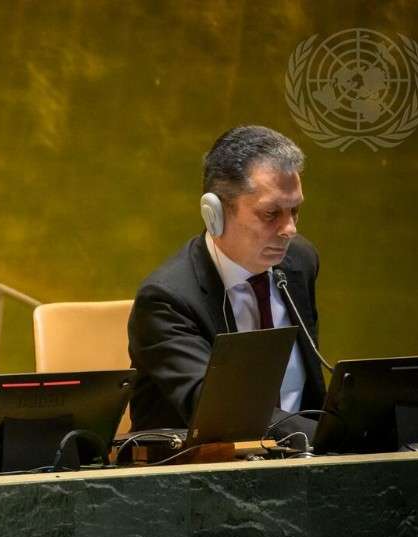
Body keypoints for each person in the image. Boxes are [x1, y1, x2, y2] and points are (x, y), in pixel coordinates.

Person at [127, 125, 326, 437]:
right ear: (214, 213)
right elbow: (221, 415)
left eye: (295, 210)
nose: (289, 230)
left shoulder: (300, 262)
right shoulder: (166, 300)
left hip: (302, 465)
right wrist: (327, 436)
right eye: (271, 214)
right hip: (197, 473)